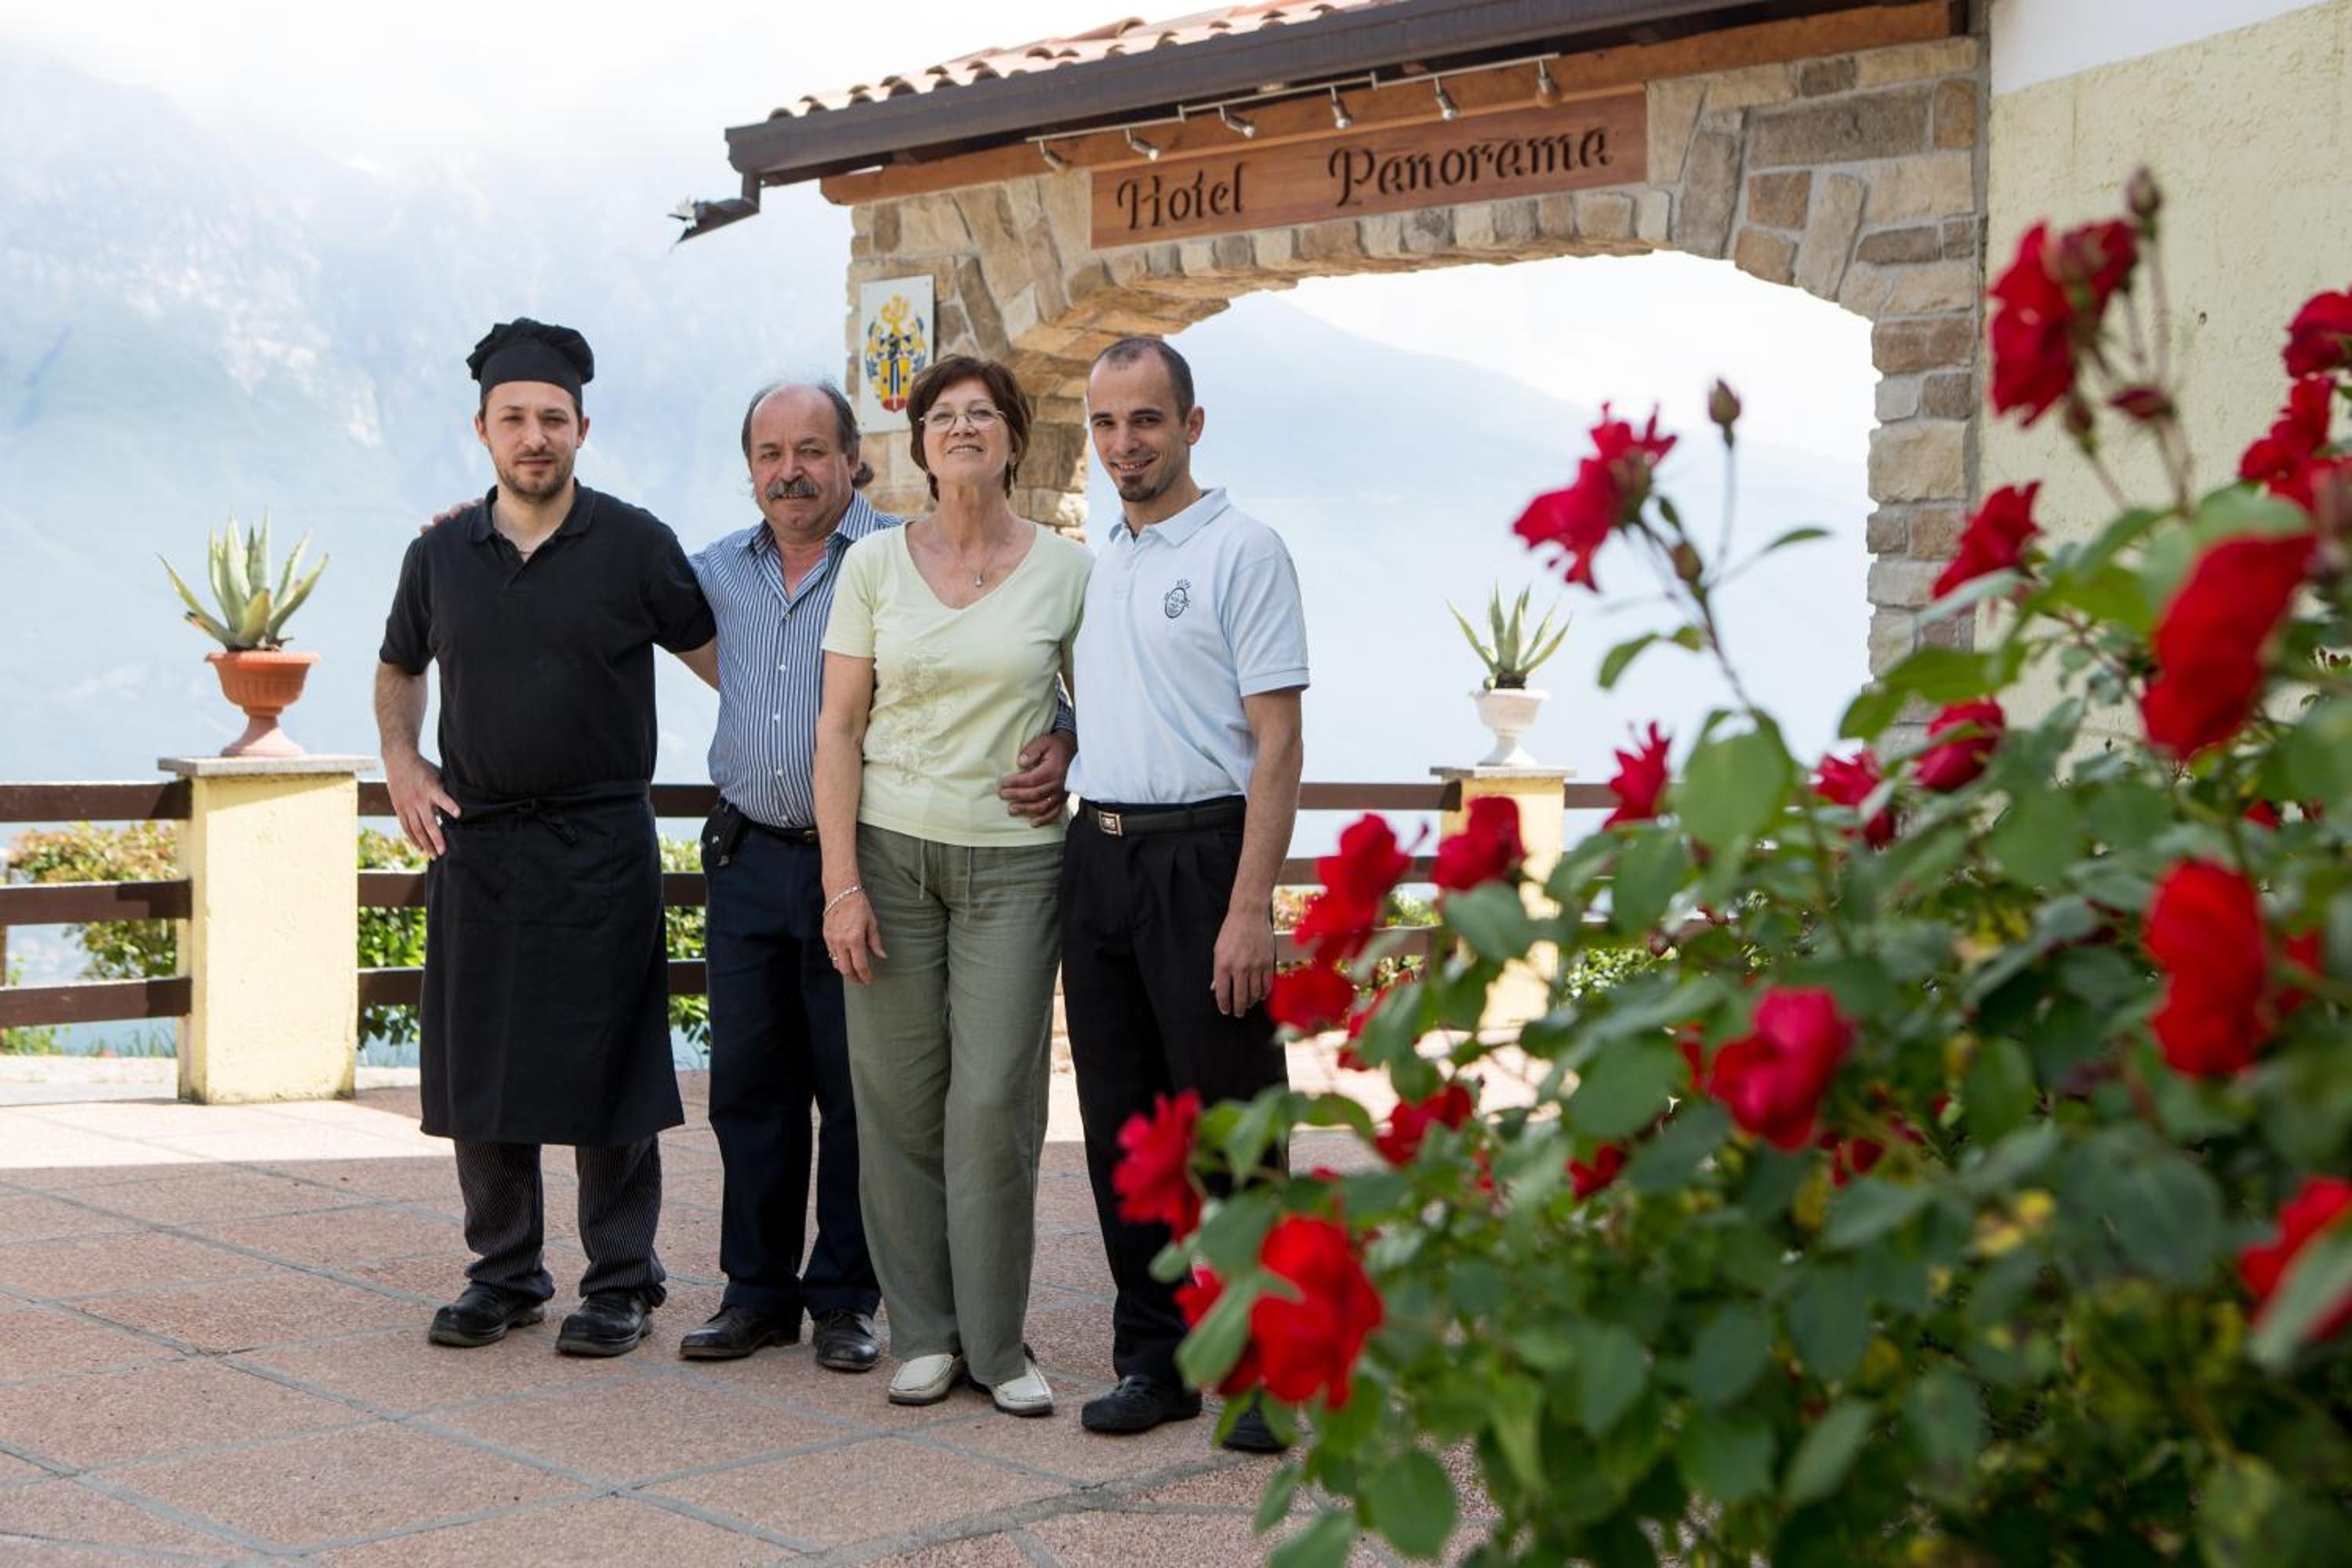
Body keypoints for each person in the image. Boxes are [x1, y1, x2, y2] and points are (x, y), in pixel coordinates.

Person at [683, 379, 1073, 1372]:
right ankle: (754, 1293)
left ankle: (847, 1299)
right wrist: (480, 518)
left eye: (811, 449)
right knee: (749, 1088)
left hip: (863, 855)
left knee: (864, 1094)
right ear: (749, 469)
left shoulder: (896, 556)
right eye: (770, 454)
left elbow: (1033, 672)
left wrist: (1065, 736)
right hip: (748, 854)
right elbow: (609, 582)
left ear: (854, 456)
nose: (790, 471)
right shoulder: (715, 570)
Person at [376, 318, 719, 1358]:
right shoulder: (439, 554)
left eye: (554, 418)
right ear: (482, 428)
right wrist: (402, 761)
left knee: (612, 1068)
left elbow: (730, 665)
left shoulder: (636, 544)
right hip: (479, 843)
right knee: (481, 1068)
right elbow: (399, 665)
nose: (536, 436)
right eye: (516, 418)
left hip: (603, 842)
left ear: (583, 430)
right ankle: (504, 1272)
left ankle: (621, 1279)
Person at [814, 354, 1092, 1417]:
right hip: (889, 856)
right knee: (894, 1099)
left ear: (1015, 438)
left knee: (993, 1103)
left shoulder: (1068, 571)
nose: (963, 427)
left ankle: (998, 1344)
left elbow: (1103, 705)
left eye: (983, 413)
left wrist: (1068, 739)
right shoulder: (873, 565)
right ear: (920, 443)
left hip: (1015, 863)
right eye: (943, 416)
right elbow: (838, 727)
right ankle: (925, 1335)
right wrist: (841, 885)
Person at [1062, 337, 1307, 1452]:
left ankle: (1266, 1369)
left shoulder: (1244, 551)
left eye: (1147, 420)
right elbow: (1113, 701)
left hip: (1205, 861)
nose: (1125, 444)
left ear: (1192, 425)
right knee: (1124, 1126)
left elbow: (1278, 743)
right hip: (1098, 857)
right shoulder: (1100, 561)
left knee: (1232, 1125)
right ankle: (1154, 1362)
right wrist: (1058, 743)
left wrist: (1251, 906)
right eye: (1106, 424)